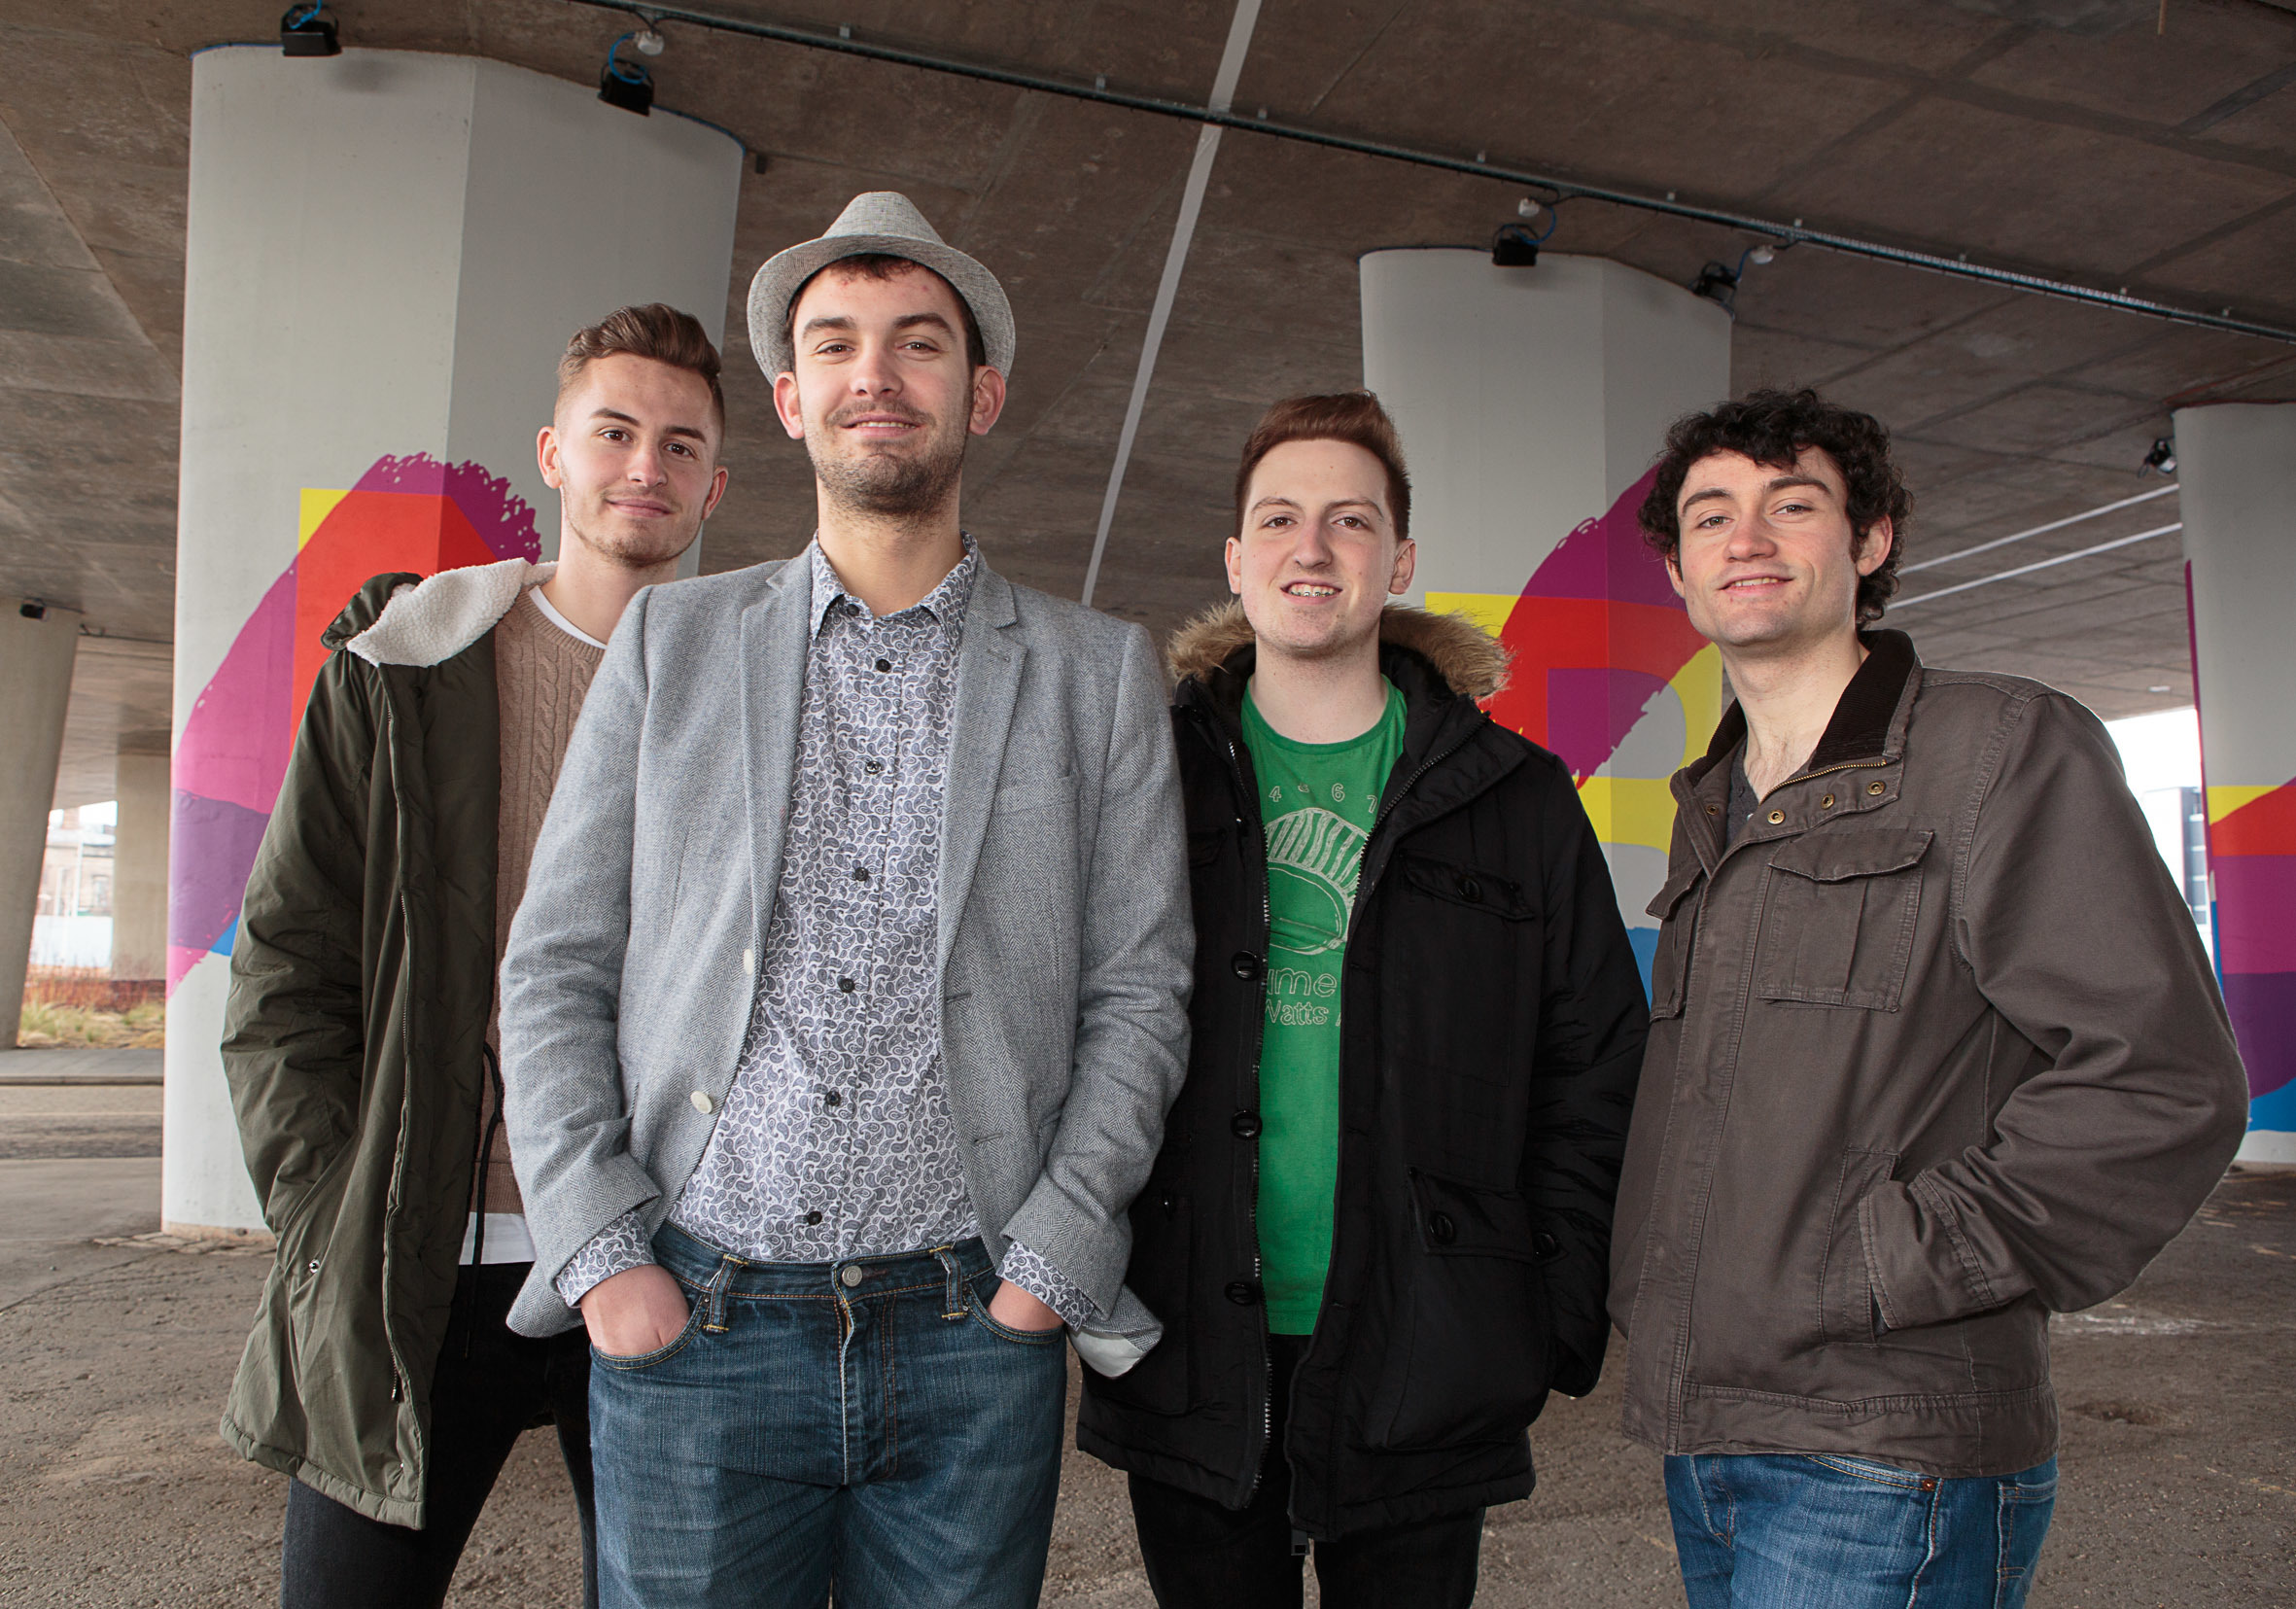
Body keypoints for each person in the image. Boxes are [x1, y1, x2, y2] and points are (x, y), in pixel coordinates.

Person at [497, 192, 1193, 1609]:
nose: (875, 374)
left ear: (979, 392)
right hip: (693, 1317)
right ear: (790, 399)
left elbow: (1139, 988)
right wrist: (600, 1250)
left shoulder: (1094, 672)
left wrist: (1046, 1264)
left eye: (916, 343)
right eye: (836, 345)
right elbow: (557, 959)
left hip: (969, 1329)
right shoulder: (672, 644)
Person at [1610, 387, 2251, 1608]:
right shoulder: (1709, 806)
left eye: (1791, 504)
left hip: (1884, 1451)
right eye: (1710, 516)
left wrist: (1892, 1262)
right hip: (1709, 1429)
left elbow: (2161, 1077)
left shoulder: (1996, 748)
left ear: (1869, 542)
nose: (1746, 539)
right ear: (1681, 574)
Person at [1078, 391, 1649, 1607]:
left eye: (1350, 519)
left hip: (1427, 1346)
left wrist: (1539, 1301)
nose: (1312, 545)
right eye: (1279, 518)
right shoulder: (1142, 773)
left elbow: (1593, 1058)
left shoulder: (1515, 796)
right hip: (1187, 1334)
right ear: (1235, 561)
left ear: (1399, 559)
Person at [220, 302, 732, 1608]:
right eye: (614, 431)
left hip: (661, 1256)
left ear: (715, 484)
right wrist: (328, 1204)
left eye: (680, 446)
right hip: (421, 1253)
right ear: (553, 452)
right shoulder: (404, 667)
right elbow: (287, 962)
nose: (644, 467)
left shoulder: (751, 701)